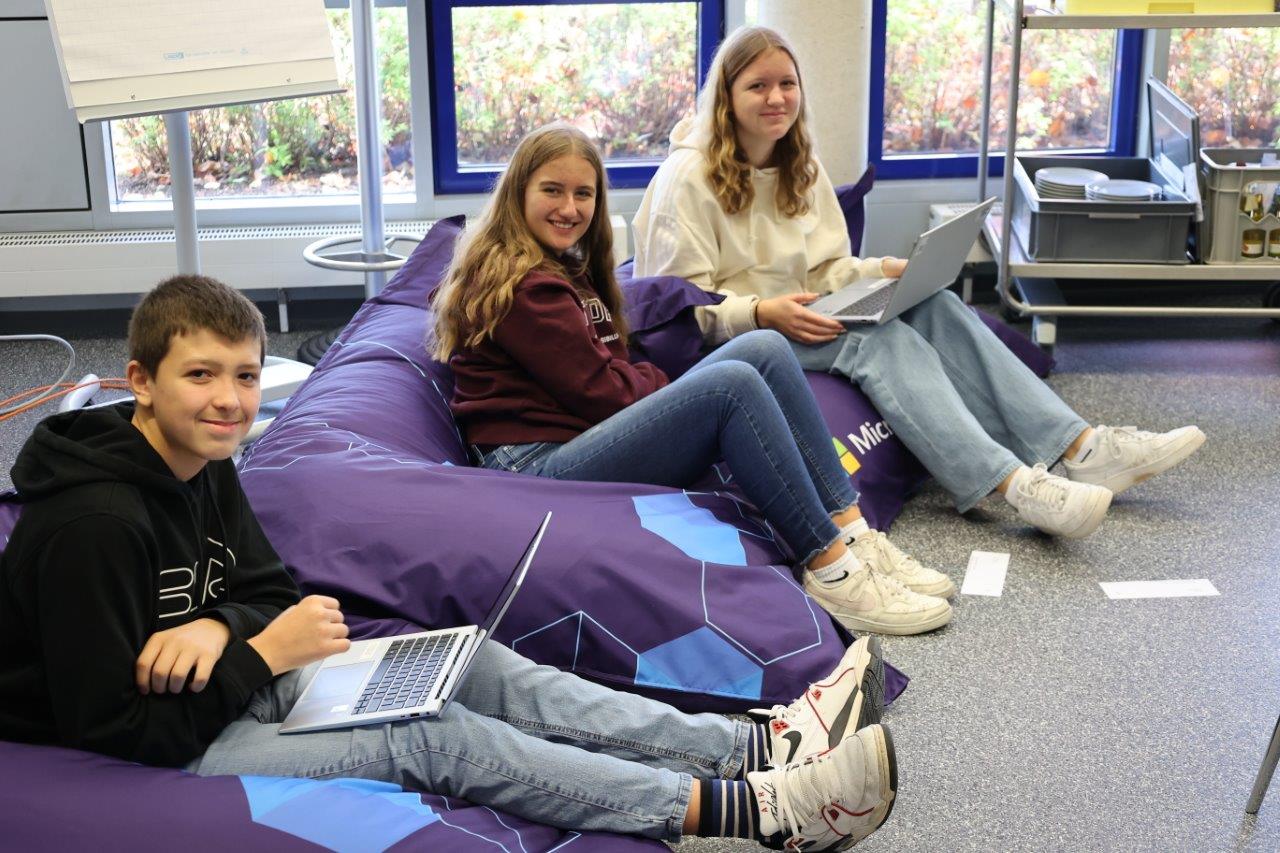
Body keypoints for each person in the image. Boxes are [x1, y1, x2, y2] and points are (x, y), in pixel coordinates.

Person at [0, 275, 898, 850]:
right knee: (430, 736)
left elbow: (266, 589)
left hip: (225, 681)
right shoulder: (92, 526)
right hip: (172, 738)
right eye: (200, 375)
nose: (230, 400)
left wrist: (216, 626)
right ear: (139, 381)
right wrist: (260, 651)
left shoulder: (203, 465)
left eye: (245, 375)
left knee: (469, 660)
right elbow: (112, 728)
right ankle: (759, 812)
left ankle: (755, 743)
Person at [631, 25, 1205, 545]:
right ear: (726, 97)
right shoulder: (687, 179)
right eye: (758, 86)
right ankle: (1010, 483)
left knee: (936, 304)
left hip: (801, 310)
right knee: (878, 340)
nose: (777, 98)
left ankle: (1082, 448)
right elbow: (677, 310)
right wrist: (761, 312)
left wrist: (885, 271)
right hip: (739, 336)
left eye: (787, 83)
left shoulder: (799, 164)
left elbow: (826, 268)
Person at [433, 123, 955, 637]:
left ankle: (854, 531)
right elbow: (604, 394)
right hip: (535, 466)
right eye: (552, 190)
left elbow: (609, 371)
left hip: (573, 435)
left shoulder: (561, 266)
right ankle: (832, 570)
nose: (569, 208)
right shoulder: (526, 285)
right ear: (518, 192)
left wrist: (644, 380)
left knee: (765, 347)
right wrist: (661, 383)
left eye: (583, 194)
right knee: (731, 385)